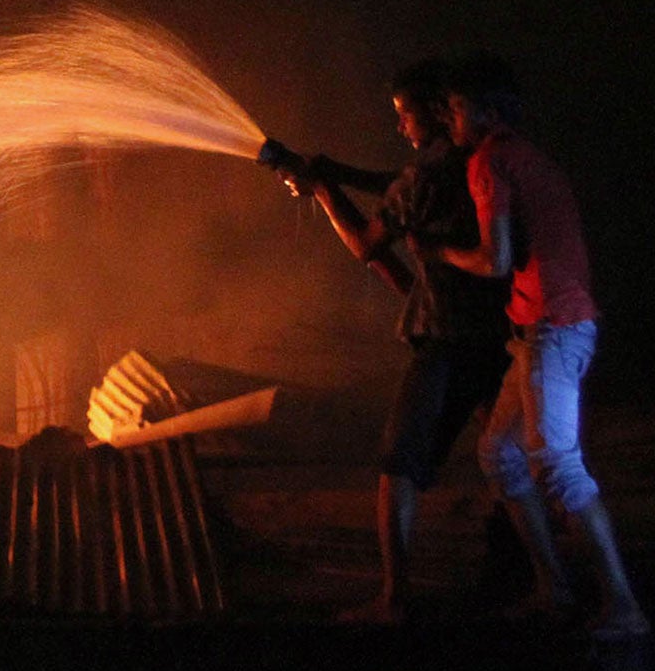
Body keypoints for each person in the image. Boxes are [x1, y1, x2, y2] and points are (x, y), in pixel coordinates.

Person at [273, 61, 511, 623]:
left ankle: (393, 600)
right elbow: (398, 185)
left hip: (446, 336)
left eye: (405, 116)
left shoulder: (427, 175)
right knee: (509, 459)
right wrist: (337, 172)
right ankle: (523, 574)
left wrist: (324, 191)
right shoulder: (464, 161)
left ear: (431, 113)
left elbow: (365, 241)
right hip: (494, 332)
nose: (400, 127)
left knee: (398, 462)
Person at [428, 54, 647, 638]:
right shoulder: (531, 157)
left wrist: (444, 254)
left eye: (455, 107)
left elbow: (496, 258)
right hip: (545, 328)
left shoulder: (489, 161)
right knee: (498, 454)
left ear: (487, 111)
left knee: (557, 463)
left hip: (552, 327)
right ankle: (556, 591)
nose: (449, 117)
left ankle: (625, 610)